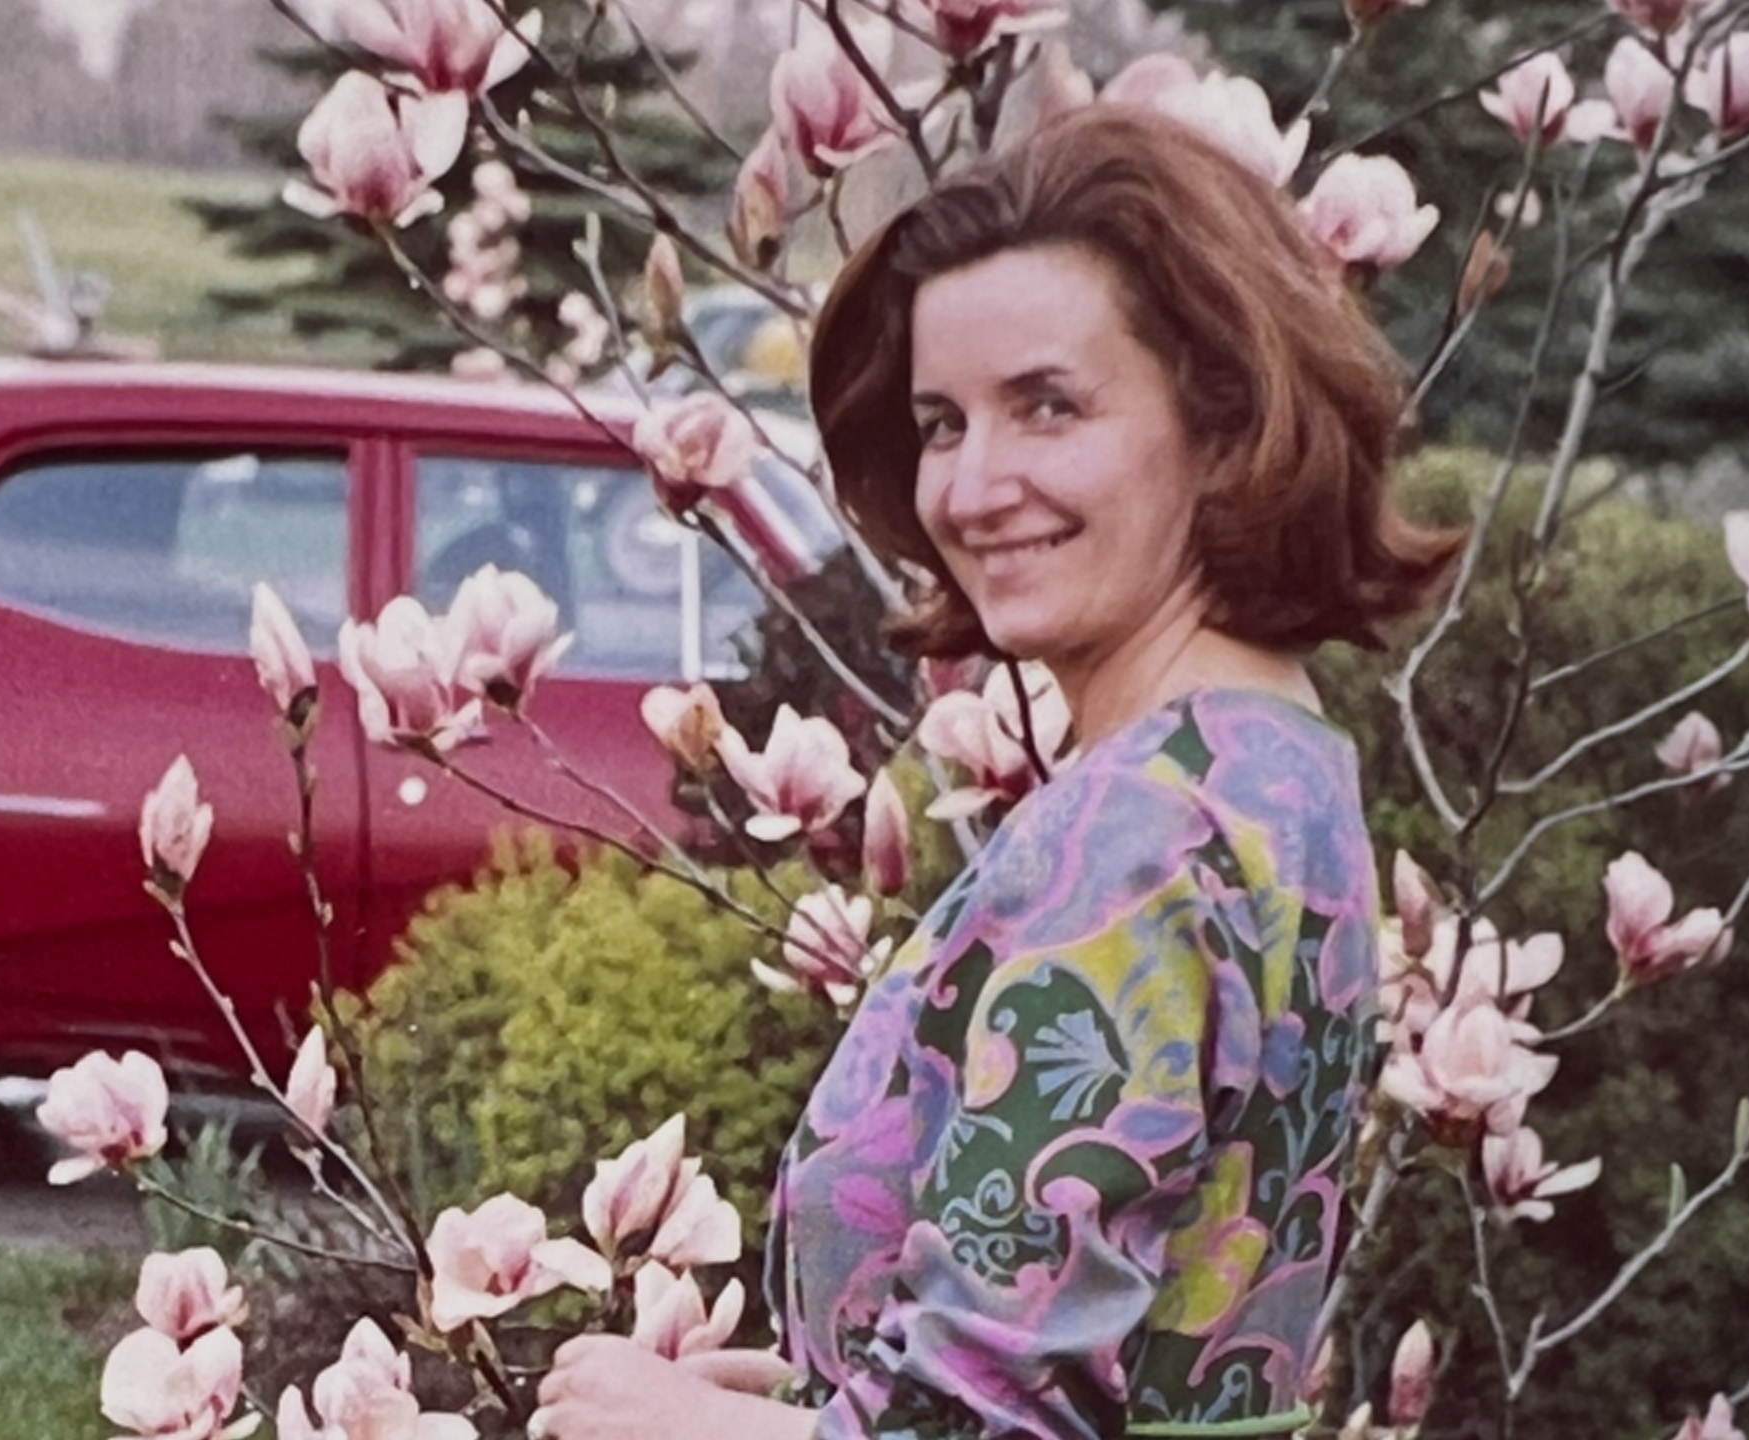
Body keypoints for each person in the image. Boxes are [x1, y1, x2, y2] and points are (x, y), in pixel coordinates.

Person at [534, 102, 1457, 1440]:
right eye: (942, 422)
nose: (969, 490)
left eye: (1046, 406)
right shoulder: (1276, 762)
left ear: (1220, 425)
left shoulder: (1141, 838)